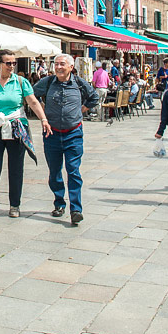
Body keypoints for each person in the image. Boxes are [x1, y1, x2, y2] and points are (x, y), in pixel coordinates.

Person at [0, 49, 51, 222]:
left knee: (16, 168)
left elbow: (32, 101)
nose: (12, 66)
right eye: (8, 63)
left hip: (16, 127)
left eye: (14, 63)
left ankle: (15, 205)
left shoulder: (21, 82)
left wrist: (43, 119)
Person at [33, 54, 98, 225]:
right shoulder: (47, 82)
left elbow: (94, 98)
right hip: (52, 134)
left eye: (62, 64)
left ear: (71, 67)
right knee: (54, 173)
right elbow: (31, 96)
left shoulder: (79, 83)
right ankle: (59, 202)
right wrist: (41, 109)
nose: (59, 67)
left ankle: (76, 208)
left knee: (73, 170)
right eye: (56, 64)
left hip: (73, 134)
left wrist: (81, 110)